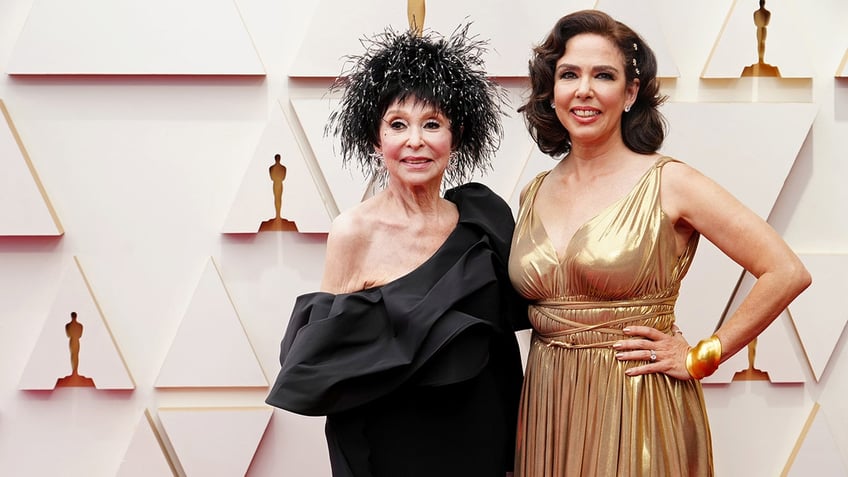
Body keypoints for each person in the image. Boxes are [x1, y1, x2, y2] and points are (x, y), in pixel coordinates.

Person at [508, 10, 811, 476]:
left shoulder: (670, 182)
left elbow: (785, 271)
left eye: (603, 75)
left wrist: (703, 355)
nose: (584, 90)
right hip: (549, 402)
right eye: (569, 74)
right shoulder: (534, 191)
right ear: (551, 92)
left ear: (630, 93)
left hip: (638, 404)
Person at [266, 24, 529, 477]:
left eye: (432, 124)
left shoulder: (484, 218)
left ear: (456, 135)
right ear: (376, 139)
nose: (415, 141)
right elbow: (331, 365)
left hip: (479, 438)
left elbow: (503, 350)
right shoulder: (354, 231)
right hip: (390, 445)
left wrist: (512, 455)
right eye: (398, 125)